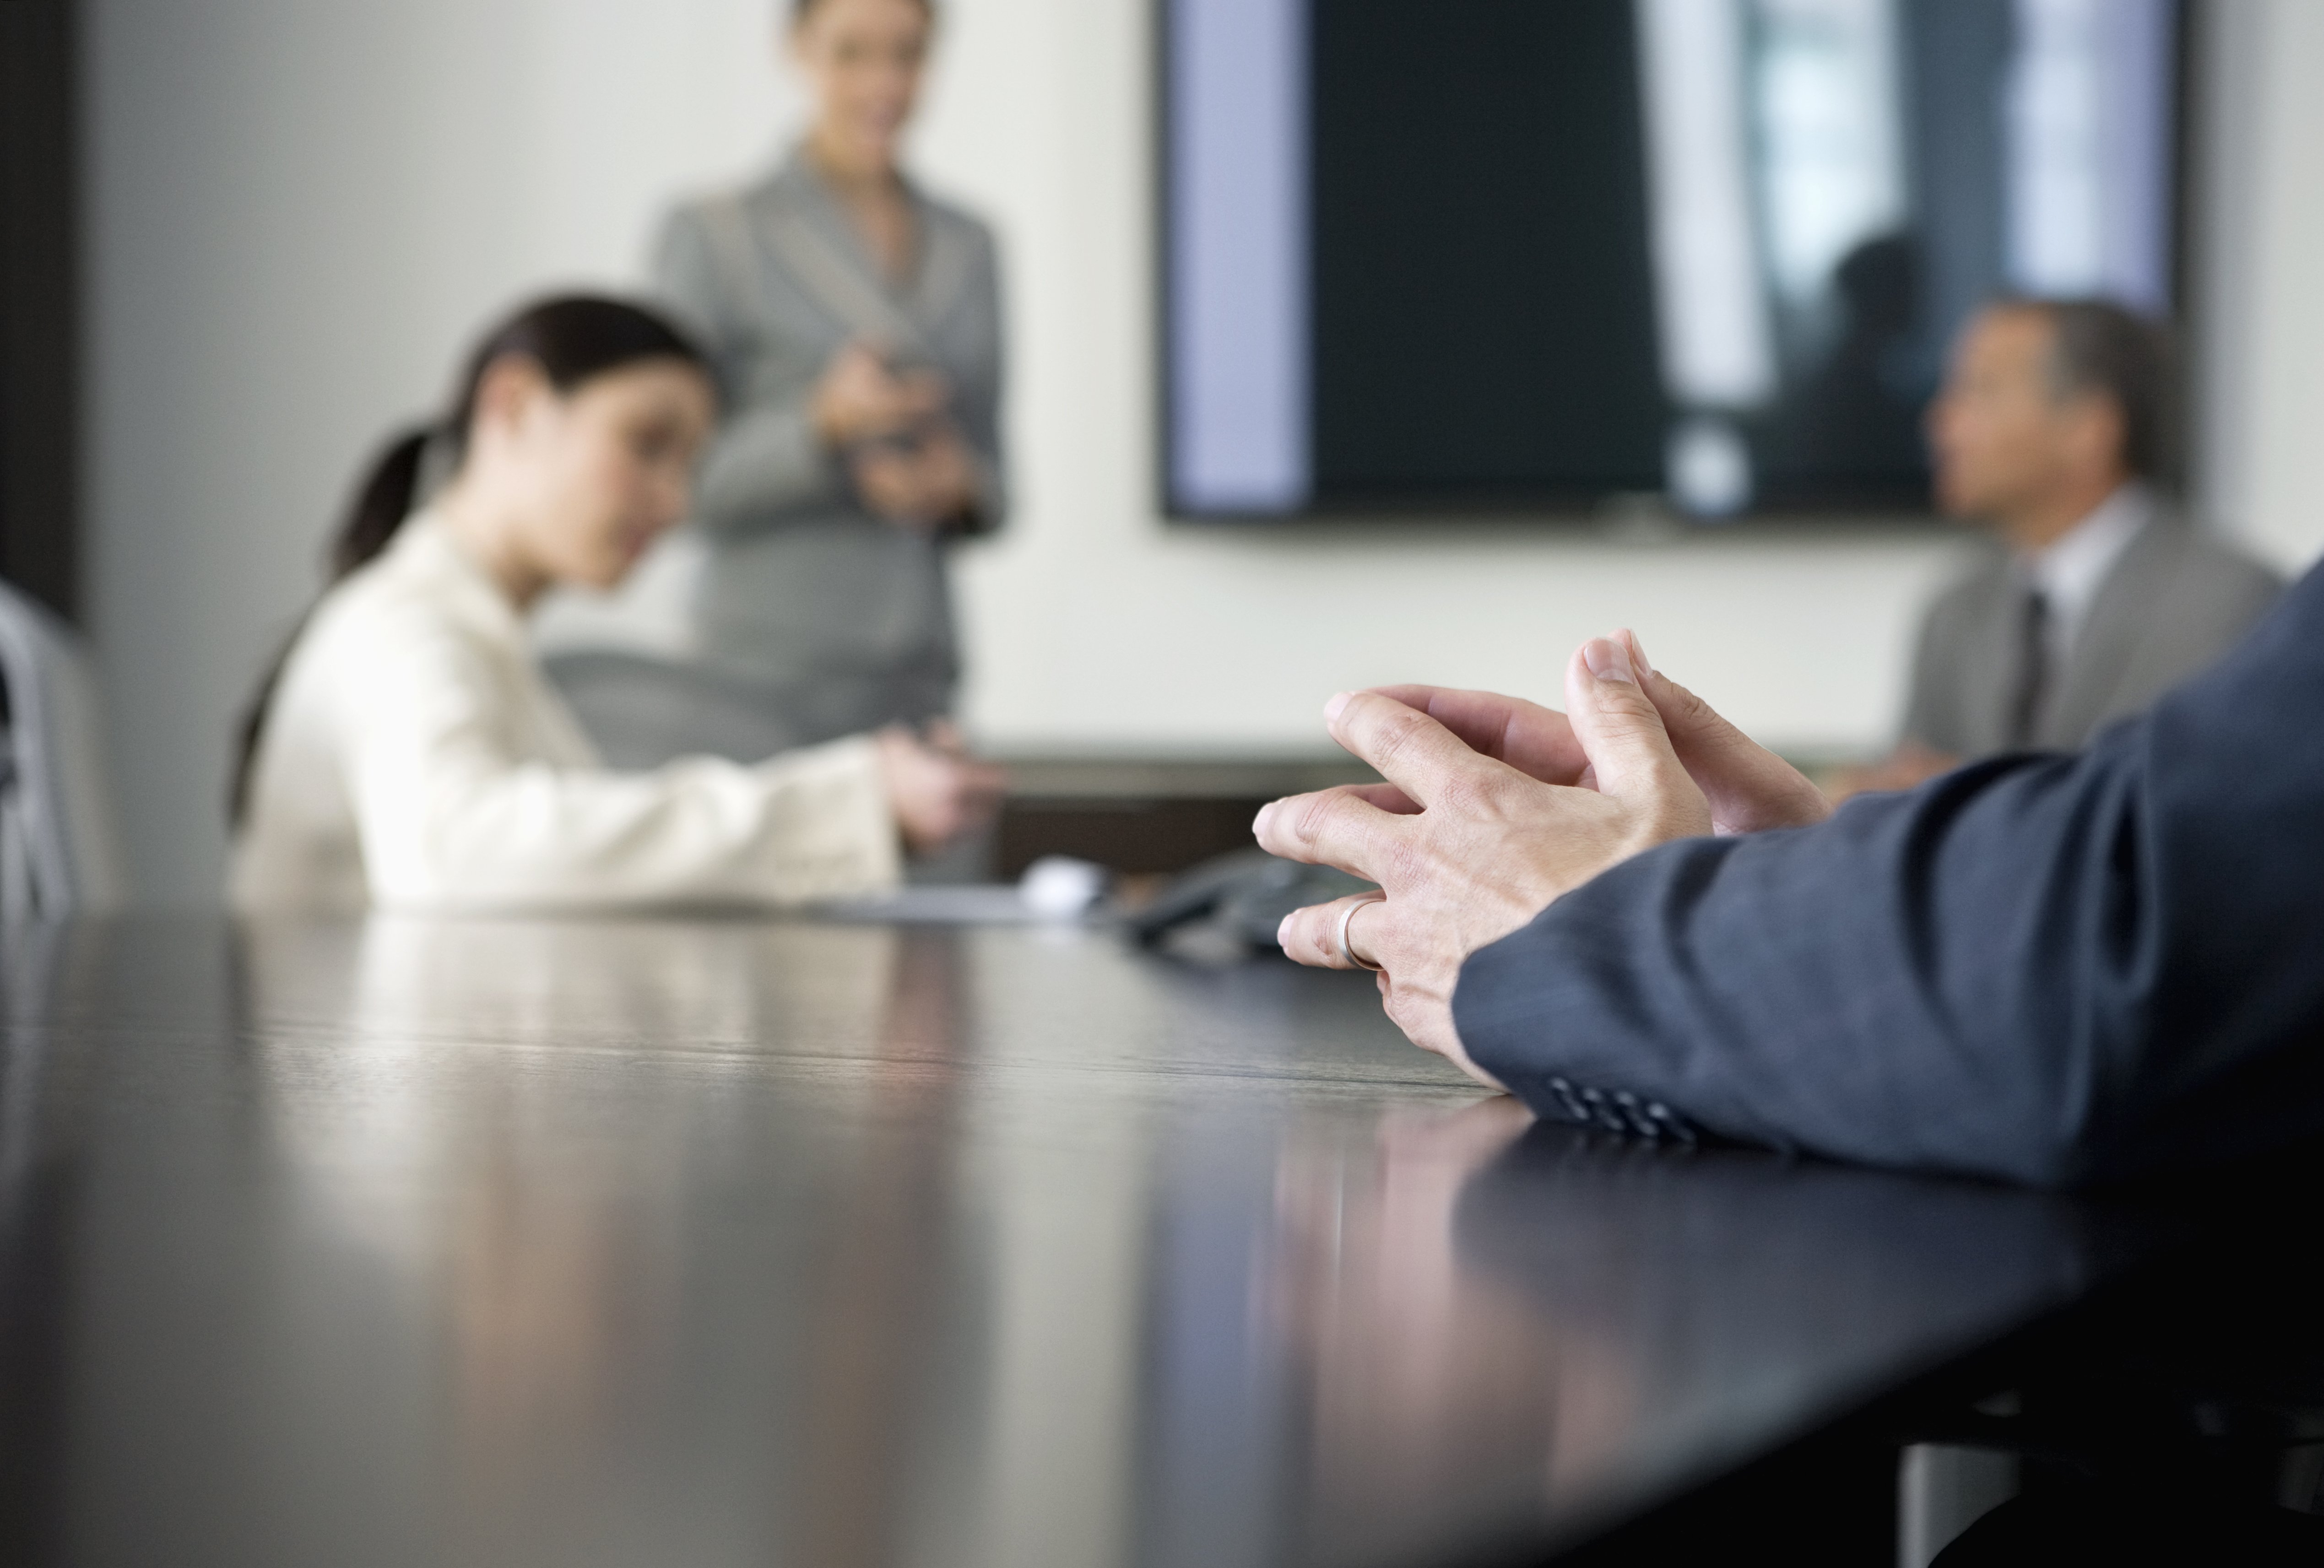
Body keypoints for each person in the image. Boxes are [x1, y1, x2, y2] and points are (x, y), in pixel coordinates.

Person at [1249, 549, 2324, 1188]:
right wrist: (1793, 894)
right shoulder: (1962, 602)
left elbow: (2115, 948)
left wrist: (1597, 930)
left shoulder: (2214, 584)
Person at [229, 295, 1000, 914]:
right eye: (647, 444)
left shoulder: (469, 633)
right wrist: (842, 803)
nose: (673, 501)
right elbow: (458, 850)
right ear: (516, 405)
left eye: (689, 465)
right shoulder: (404, 622)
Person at [609, 0, 1003, 764]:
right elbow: (670, 482)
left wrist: (954, 484)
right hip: (762, 685)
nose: (884, 82)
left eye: (907, 54)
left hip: (918, 685)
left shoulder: (970, 243)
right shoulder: (717, 235)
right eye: (851, 53)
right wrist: (821, 427)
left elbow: (997, 485)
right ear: (797, 50)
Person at [1847, 299, 2280, 792]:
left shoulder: (2229, 603)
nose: (1941, 419)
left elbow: (2201, 808)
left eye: (1980, 390)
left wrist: (1968, 799)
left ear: (2089, 428)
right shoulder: (1956, 610)